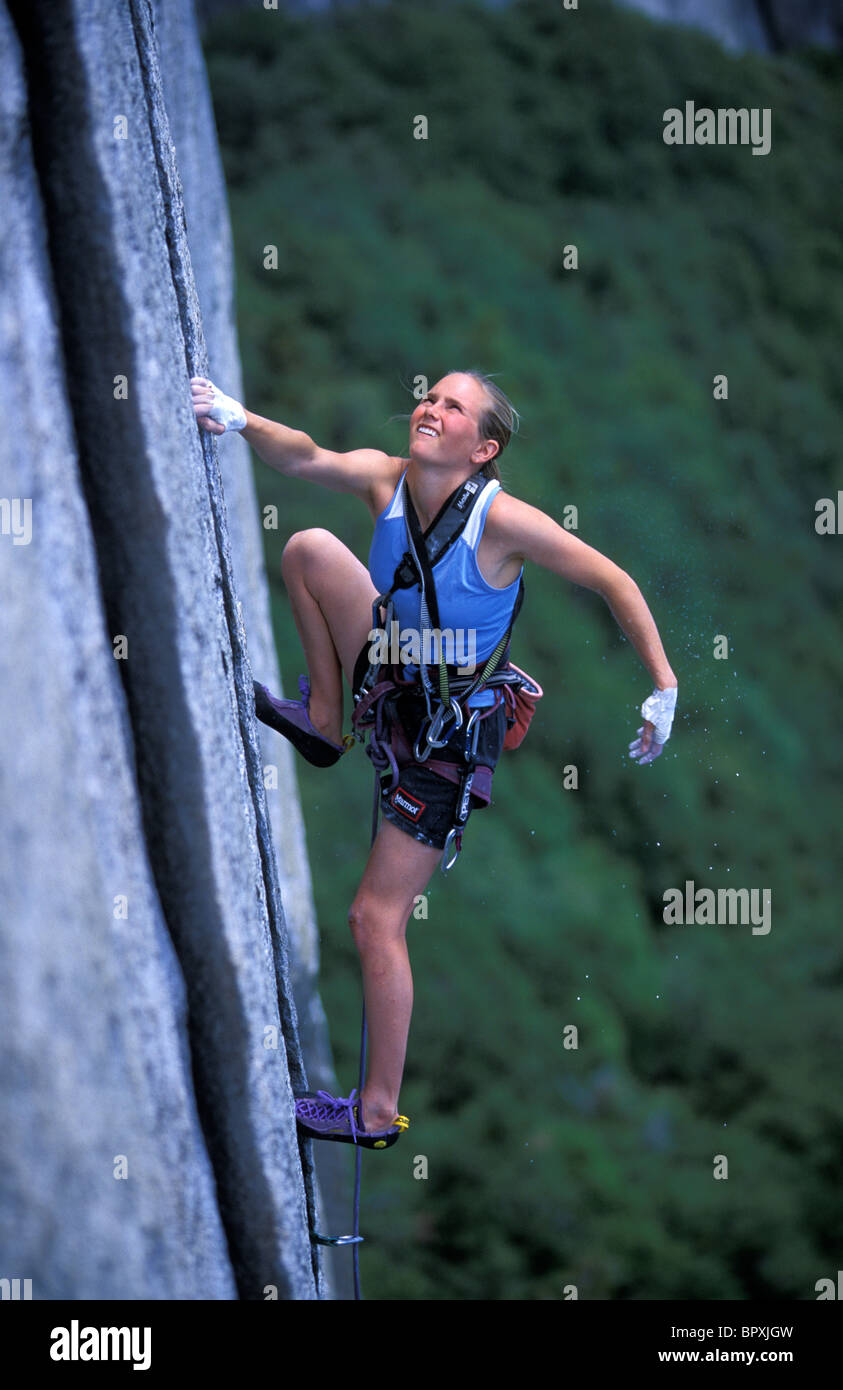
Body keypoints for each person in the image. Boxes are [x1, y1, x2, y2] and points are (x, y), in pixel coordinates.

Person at [190, 369, 678, 1149]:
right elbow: (305, 458)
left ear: (481, 449)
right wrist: (237, 416)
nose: (431, 407)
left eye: (453, 406)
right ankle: (323, 721)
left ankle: (376, 1114)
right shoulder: (387, 480)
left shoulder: (502, 521)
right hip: (396, 664)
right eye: (431, 396)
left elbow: (612, 580)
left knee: (374, 919)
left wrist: (662, 685)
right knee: (311, 549)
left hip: (446, 737)